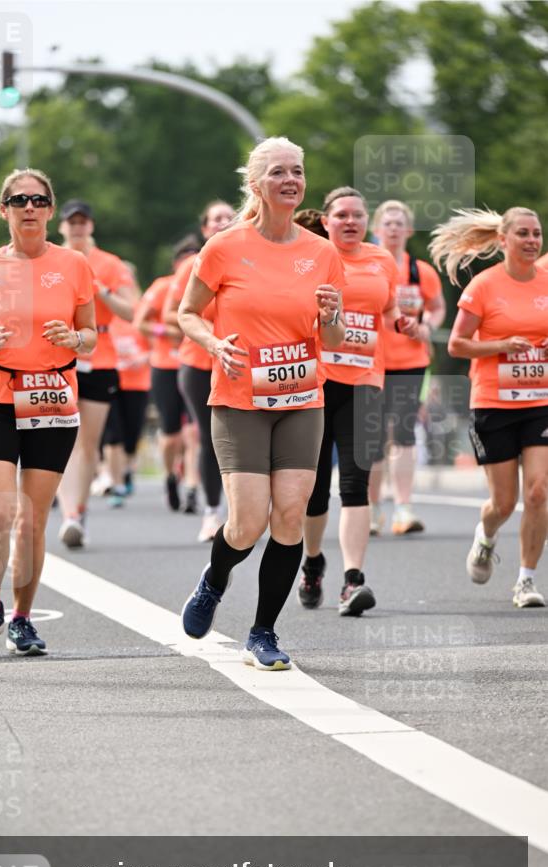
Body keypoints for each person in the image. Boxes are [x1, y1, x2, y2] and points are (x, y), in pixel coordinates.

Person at [179, 137, 345, 669]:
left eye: (297, 171)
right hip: (239, 398)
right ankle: (214, 578)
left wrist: (333, 316)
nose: (290, 180)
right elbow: (187, 313)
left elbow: (336, 342)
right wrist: (212, 343)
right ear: (257, 185)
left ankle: (263, 633)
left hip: (301, 398)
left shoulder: (321, 252)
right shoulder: (225, 246)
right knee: (247, 522)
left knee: (291, 513)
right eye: (278, 172)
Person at [0, 168, 96, 654]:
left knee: (31, 519)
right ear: (4, 210)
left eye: (38, 199)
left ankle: (21, 619)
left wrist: (75, 339)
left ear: (51, 210)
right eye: (18, 200)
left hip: (51, 396)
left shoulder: (73, 264)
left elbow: (91, 333)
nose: (29, 207)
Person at [298, 188, 419, 615]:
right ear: (327, 221)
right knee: (313, 491)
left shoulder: (381, 260)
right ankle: (313, 562)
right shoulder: (308, 255)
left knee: (355, 481)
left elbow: (386, 309)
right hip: (315, 381)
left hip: (366, 381)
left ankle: (353, 582)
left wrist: (404, 323)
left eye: (357, 215)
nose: (350, 222)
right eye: (342, 215)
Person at [430, 206, 548, 607]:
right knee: (504, 502)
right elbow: (456, 344)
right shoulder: (484, 286)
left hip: (540, 400)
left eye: (536, 234)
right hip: (493, 402)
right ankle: (486, 537)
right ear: (504, 240)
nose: (532, 241)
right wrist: (502, 345)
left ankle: (526, 580)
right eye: (523, 234)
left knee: (538, 492)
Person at [56, 200, 136, 548]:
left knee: (88, 444)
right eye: (71, 222)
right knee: (61, 440)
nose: (77, 227)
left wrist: (100, 288)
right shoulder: (51, 259)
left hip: (99, 355)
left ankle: (78, 509)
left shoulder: (111, 264)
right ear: (61, 226)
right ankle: (68, 515)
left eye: (83, 222)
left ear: (91, 226)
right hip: (58, 357)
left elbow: (132, 311)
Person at [367, 200, 446, 535]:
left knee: (402, 435)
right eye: (388, 222)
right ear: (377, 228)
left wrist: (428, 324)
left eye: (400, 223)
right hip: (370, 362)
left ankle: (403, 509)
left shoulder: (420, 271)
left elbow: (438, 307)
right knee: (371, 441)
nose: (394, 228)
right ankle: (370, 511)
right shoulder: (366, 266)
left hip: (410, 362)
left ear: (409, 230)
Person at [164, 201, 236, 541]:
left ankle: (246, 512)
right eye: (215, 218)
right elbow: (171, 313)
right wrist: (210, 326)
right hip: (198, 362)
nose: (222, 222)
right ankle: (212, 512)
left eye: (228, 217)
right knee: (210, 438)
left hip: (245, 361)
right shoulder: (192, 265)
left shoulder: (251, 259)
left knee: (247, 439)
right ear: (205, 229)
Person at [135, 236, 201, 515]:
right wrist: (168, 332)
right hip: (165, 365)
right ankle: (170, 475)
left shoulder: (206, 289)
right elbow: (140, 323)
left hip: (195, 365)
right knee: (171, 434)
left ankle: (191, 489)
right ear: (177, 264)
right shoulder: (163, 287)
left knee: (194, 432)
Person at [102, 311, 151, 506]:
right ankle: (117, 484)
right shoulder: (105, 323)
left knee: (131, 436)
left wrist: (142, 358)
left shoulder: (138, 320)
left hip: (137, 385)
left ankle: (127, 469)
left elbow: (156, 349)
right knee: (114, 436)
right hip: (110, 384)